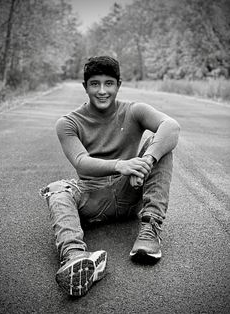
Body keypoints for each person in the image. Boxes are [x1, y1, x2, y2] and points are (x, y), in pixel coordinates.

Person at [40, 56, 180, 297]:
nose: (102, 91)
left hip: (129, 194)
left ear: (118, 85)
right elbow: (82, 163)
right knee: (57, 188)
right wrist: (122, 165)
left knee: (160, 147)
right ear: (85, 87)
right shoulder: (68, 123)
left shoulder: (134, 110)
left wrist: (145, 162)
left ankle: (150, 229)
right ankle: (75, 258)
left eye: (109, 83)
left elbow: (172, 126)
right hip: (92, 199)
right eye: (94, 84)